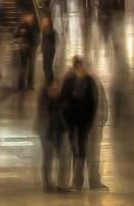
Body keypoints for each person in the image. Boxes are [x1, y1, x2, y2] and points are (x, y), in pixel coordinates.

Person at [60, 56, 98, 190]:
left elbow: (94, 101)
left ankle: (79, 179)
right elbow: (63, 99)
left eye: (81, 66)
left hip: (84, 121)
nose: (80, 68)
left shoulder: (89, 81)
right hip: (72, 120)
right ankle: (76, 177)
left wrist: (90, 119)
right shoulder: (69, 81)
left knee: (81, 148)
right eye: (77, 66)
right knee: (74, 148)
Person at [38, 76, 69, 193]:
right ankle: (47, 183)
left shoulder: (61, 99)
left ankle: (62, 184)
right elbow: (43, 118)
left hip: (60, 130)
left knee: (64, 157)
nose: (56, 89)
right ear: (48, 88)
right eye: (53, 87)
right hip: (47, 132)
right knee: (48, 157)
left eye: (58, 86)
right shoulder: (44, 101)